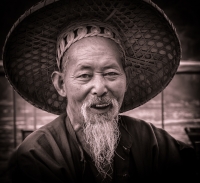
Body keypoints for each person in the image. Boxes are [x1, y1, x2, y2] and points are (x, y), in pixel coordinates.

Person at [2, 0, 198, 182]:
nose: (100, 88)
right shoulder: (36, 157)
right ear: (61, 84)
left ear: (126, 78)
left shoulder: (151, 142)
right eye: (85, 75)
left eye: (111, 73)